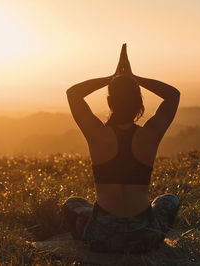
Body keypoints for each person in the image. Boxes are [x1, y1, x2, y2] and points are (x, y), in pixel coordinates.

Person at [63, 44, 181, 253]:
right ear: (139, 104)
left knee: (73, 203)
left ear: (109, 102)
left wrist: (112, 78)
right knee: (168, 200)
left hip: (102, 237)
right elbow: (173, 95)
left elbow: (73, 93)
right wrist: (135, 79)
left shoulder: (97, 134)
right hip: (146, 236)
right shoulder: (150, 135)